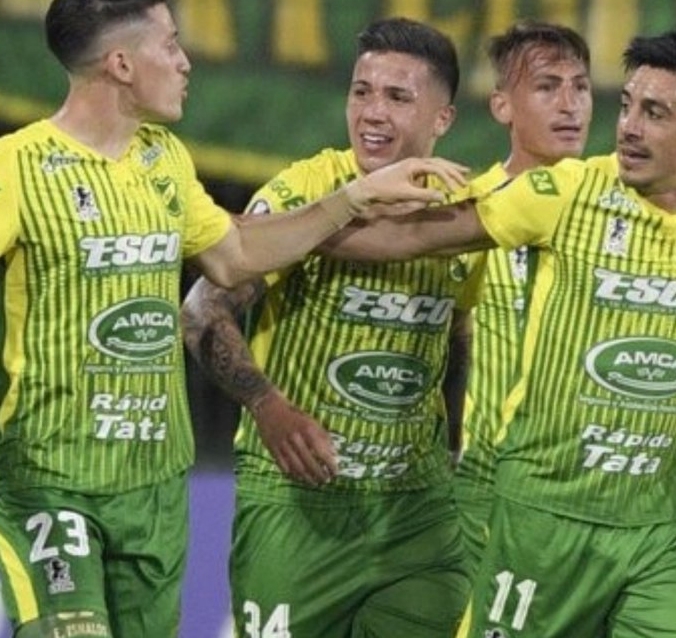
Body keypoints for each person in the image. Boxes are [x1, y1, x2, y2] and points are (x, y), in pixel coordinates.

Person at [0, 2, 464, 637]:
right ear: (122, 64)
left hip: (155, 488)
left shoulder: (164, 159)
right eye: (170, 45)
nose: (185, 62)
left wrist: (354, 197)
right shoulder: (17, 167)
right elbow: (209, 307)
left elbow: (236, 253)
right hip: (49, 481)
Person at [322, 27, 676, 636]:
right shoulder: (567, 190)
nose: (627, 127)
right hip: (539, 515)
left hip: (658, 532)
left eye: (653, 113)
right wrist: (286, 234)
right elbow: (414, 238)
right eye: (626, 105)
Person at [181, 17, 479, 638]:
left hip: (416, 516)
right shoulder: (305, 191)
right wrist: (269, 408)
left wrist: (458, 447)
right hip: (294, 507)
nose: (372, 112)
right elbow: (202, 312)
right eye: (361, 91)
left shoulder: (466, 213)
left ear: (443, 119)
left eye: (397, 97)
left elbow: (461, 335)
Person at [453, 19, 594, 579]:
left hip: (600, 496)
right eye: (546, 87)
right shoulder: (467, 212)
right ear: (501, 107)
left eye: (580, 86)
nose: (569, 105)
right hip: (491, 487)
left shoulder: (621, 207)